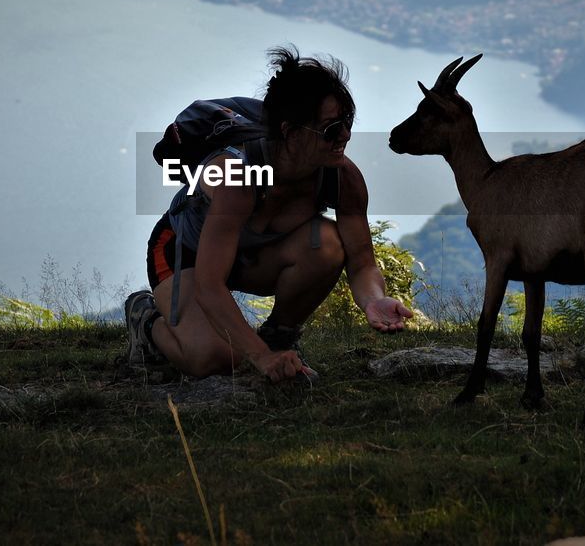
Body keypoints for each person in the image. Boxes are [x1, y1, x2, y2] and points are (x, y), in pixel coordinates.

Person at [125, 47, 413, 382]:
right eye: (331, 129)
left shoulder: (342, 177)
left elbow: (362, 262)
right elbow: (209, 285)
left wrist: (374, 301)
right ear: (291, 132)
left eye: (346, 123)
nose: (345, 137)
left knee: (330, 243)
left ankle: (279, 339)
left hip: (251, 254)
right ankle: (146, 324)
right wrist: (258, 358)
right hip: (184, 252)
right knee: (214, 359)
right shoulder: (238, 177)